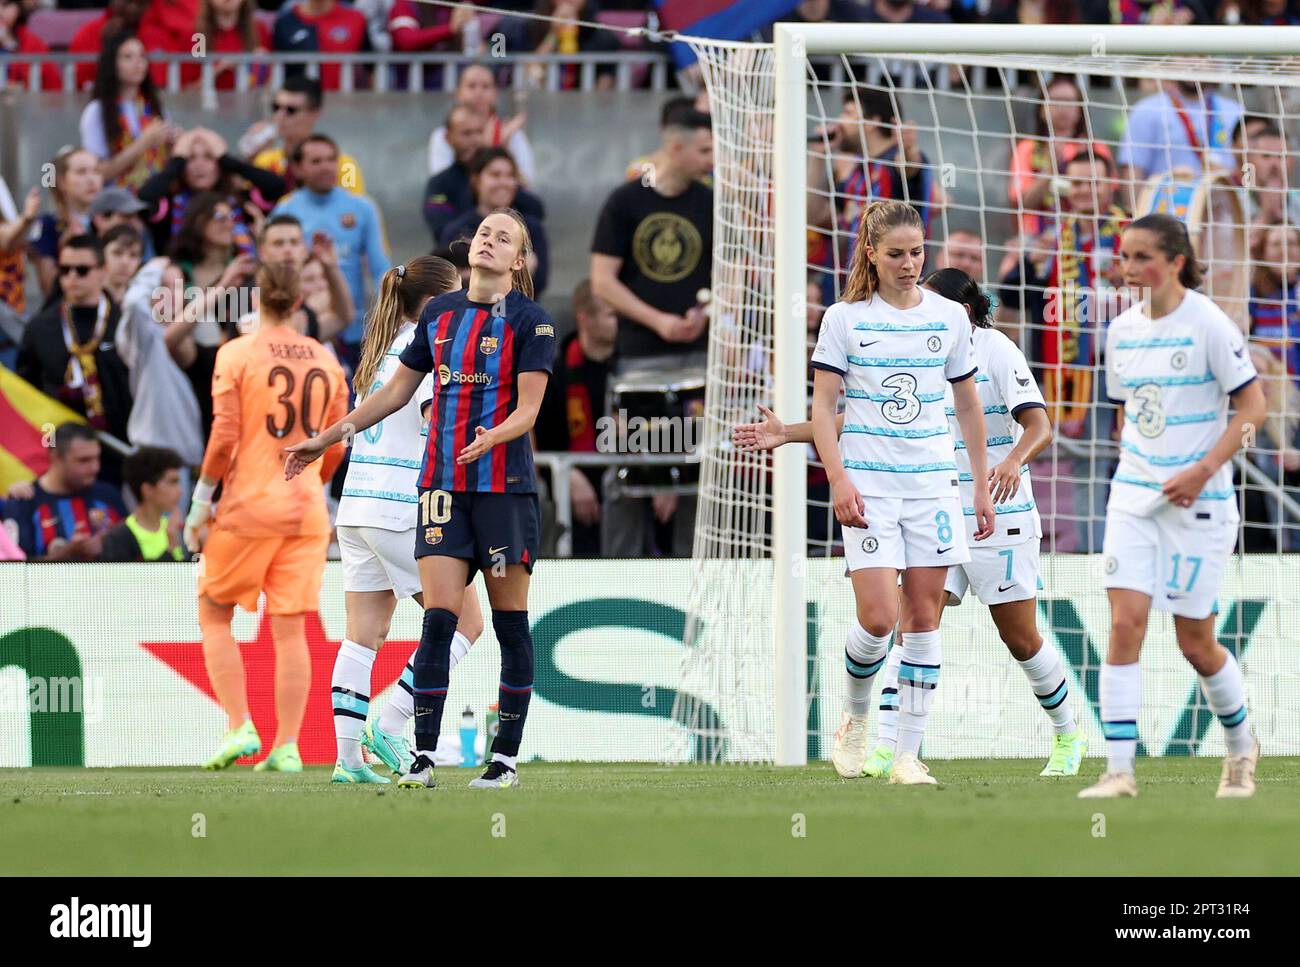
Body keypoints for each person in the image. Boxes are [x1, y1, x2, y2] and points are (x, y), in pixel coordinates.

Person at [736, 266, 1088, 778]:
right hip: (933, 502)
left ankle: (1067, 734)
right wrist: (789, 433)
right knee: (913, 623)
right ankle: (888, 748)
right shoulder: (915, 344)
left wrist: (1011, 460)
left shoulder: (995, 350)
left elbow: (1040, 424)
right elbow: (865, 416)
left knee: (1020, 638)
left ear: (961, 312)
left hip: (998, 509)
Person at [285, 208, 557, 790]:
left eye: (503, 237)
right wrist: (325, 439)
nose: (488, 240)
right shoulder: (437, 317)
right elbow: (394, 397)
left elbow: (529, 411)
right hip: (433, 493)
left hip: (501, 492)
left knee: (506, 625)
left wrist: (493, 436)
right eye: (484, 231)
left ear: (518, 259)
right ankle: (418, 755)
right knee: (443, 622)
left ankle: (501, 760)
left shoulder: (532, 323)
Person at [1080, 213, 1267, 799]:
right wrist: (1143, 464)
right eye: (1124, 257)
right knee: (1124, 624)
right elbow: (1133, 412)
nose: (1129, 269)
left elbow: (1253, 409)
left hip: (1200, 503)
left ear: (1176, 262)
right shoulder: (1122, 330)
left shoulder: (1208, 323)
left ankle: (1241, 747)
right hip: (1134, 498)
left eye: (1141, 258)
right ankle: (1118, 771)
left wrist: (1203, 468)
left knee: (1195, 642)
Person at [807, 200, 994, 785]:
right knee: (879, 617)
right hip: (870, 488)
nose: (910, 264)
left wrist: (981, 487)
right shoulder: (844, 319)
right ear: (871, 253)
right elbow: (822, 407)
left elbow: (968, 404)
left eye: (917, 252)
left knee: (923, 617)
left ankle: (908, 754)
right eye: (896, 254)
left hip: (935, 487)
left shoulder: (949, 318)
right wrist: (837, 477)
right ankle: (856, 720)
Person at [182, 262, 349, 773]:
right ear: (299, 302)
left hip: (248, 508)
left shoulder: (236, 354)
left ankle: (239, 725)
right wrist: (310, 486)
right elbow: (338, 442)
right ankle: (288, 746)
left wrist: (199, 502)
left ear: (257, 300)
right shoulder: (326, 360)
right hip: (305, 514)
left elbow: (225, 435)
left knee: (214, 612)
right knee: (291, 627)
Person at [327, 256, 487, 784]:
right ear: (439, 299)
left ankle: (348, 760)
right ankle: (392, 721)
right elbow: (437, 426)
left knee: (362, 635)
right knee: (467, 622)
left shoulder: (378, 354)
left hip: (355, 509)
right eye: (458, 293)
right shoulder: (425, 349)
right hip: (401, 507)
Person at [590, 106, 713, 557]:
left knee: (700, 473)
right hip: (636, 359)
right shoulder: (625, 201)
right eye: (703, 149)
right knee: (627, 470)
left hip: (700, 360)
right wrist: (658, 320)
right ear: (675, 146)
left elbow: (733, 274)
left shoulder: (711, 202)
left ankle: (693, 576)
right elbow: (602, 281)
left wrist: (707, 313)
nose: (711, 159)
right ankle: (616, 574)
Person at [1000, 150, 1127, 552]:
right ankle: (1092, 553)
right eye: (1077, 183)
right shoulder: (1053, 237)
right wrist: (1031, 264)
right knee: (1086, 463)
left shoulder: (1131, 236)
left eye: (1094, 182)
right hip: (1069, 370)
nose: (1085, 191)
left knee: (1124, 460)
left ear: (1111, 185)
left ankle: (1121, 550)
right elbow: (1009, 292)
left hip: (1126, 368)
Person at [15, 235, 134, 482]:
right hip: (60, 454)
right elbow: (28, 391)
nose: (72, 277)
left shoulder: (124, 322)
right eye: (65, 269)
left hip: (121, 450)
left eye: (82, 270)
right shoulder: (41, 328)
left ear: (103, 271)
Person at [271, 134, 391, 353]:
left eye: (331, 159)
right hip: (303, 327)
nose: (326, 167)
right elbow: (274, 269)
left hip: (354, 329)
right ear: (298, 168)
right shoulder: (286, 209)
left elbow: (380, 267)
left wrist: (390, 317)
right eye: (316, 161)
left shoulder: (362, 208)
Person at [535, 279, 617, 556]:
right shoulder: (556, 376)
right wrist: (569, 475)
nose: (620, 323)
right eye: (612, 315)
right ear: (585, 319)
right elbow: (543, 441)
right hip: (576, 498)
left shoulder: (630, 372)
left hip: (629, 493)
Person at [138, 126, 287, 257]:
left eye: (209, 157)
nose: (199, 165)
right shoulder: (168, 204)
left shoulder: (240, 201)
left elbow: (277, 186)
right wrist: (177, 160)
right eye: (190, 158)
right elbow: (144, 198)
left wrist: (227, 160)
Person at [116, 255, 206, 469]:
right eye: (162, 286)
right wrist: (152, 270)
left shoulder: (195, 335)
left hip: (188, 463)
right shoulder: (140, 335)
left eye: (176, 288)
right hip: (154, 459)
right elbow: (135, 303)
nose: (170, 295)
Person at [0, 422, 125, 561]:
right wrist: (65, 557)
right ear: (56, 457)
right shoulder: (23, 502)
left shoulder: (108, 495)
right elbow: (15, 570)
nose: (95, 467)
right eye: (84, 460)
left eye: (97, 458)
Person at [1008, 74, 1113, 238]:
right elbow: (1022, 203)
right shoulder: (1027, 148)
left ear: (1080, 109)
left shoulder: (1096, 148)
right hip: (1035, 240)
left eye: (1069, 101)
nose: (1062, 107)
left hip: (1087, 236)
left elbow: (1107, 198)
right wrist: (1050, 171)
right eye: (1055, 100)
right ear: (1041, 108)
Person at [439, 147, 549, 295]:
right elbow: (446, 281)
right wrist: (511, 270)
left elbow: (539, 282)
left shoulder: (531, 228)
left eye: (510, 175)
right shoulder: (456, 230)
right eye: (495, 175)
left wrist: (473, 271)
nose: (504, 182)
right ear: (476, 180)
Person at [1118, 78, 1244, 201]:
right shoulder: (1146, 110)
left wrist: (1229, 174)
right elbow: (1132, 172)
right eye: (1185, 56)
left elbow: (1252, 169)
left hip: (1226, 213)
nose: (1194, 62)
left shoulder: (1235, 111)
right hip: (1166, 213)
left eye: (1201, 56)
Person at [79, 31, 176, 192]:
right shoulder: (97, 111)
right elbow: (97, 172)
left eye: (142, 56)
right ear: (112, 64)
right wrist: (143, 143)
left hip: (155, 198)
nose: (137, 62)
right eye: (128, 57)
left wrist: (173, 146)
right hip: (116, 202)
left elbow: (164, 163)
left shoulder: (155, 108)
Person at [244, 76, 368, 196]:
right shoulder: (264, 160)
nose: (279, 117)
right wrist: (249, 161)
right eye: (276, 107)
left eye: (291, 110)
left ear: (315, 113)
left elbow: (353, 207)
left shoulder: (346, 166)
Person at [427, 64, 535, 183]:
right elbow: (441, 183)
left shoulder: (513, 134)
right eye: (471, 86)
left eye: (486, 86)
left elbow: (526, 185)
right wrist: (492, 147)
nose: (479, 92)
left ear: (495, 93)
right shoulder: (444, 135)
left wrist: (502, 151)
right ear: (458, 93)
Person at [29, 148, 104, 300]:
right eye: (81, 172)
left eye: (96, 171)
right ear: (62, 181)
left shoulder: (108, 220)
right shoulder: (49, 225)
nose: (91, 179)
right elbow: (48, 286)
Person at [98, 445, 187, 562]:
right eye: (172, 482)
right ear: (147, 489)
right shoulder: (118, 539)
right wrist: (170, 548)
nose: (180, 491)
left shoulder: (175, 529)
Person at [272, 0, 369, 93]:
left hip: (343, 102)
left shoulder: (356, 19)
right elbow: (272, 70)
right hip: (298, 104)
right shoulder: (284, 23)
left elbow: (370, 68)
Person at [0, 0, 62, 91]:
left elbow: (52, 87)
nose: (0, 11)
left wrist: (9, 44)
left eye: (6, 4)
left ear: (18, 8)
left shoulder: (32, 42)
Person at [99, 224, 143, 304]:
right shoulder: (88, 296)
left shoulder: (144, 299)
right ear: (101, 255)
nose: (125, 262)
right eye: (117, 253)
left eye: (133, 255)